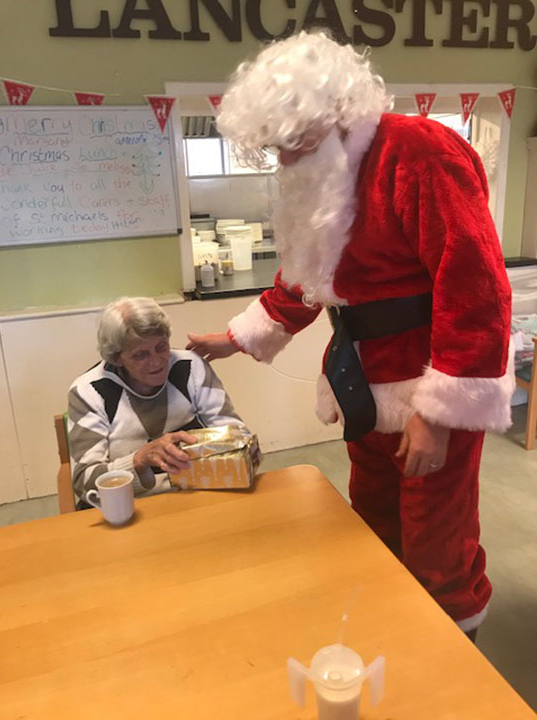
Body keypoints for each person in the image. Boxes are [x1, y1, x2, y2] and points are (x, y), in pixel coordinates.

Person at [187, 31, 514, 636]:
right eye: (277, 147)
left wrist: (436, 415)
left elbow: (474, 287)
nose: (286, 160)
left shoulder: (418, 151)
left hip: (426, 386)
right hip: (361, 384)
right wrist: (235, 338)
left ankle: (453, 649)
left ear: (335, 113)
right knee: (373, 520)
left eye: (295, 142)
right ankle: (385, 633)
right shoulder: (324, 175)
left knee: (436, 541)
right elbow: (306, 277)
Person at [68, 296, 247, 505]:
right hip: (131, 505)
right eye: (140, 355)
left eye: (161, 347)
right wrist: (138, 460)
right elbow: (84, 481)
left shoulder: (190, 367)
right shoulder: (89, 391)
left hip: (196, 495)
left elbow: (239, 437)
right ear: (116, 357)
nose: (156, 362)